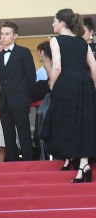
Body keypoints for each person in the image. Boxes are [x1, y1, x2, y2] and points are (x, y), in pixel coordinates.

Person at [46, 9, 96, 182]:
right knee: (84, 123)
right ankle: (83, 164)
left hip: (66, 85)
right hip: (85, 84)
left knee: (67, 123)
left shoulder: (55, 40)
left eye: (54, 21)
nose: (52, 24)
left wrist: (52, 84)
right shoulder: (83, 42)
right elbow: (94, 67)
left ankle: (76, 161)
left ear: (62, 23)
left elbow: (57, 66)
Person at [0, 22, 35, 162]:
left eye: (7, 34)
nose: (3, 37)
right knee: (8, 135)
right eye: (2, 34)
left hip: (20, 100)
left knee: (24, 134)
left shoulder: (24, 52)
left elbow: (31, 78)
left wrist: (27, 98)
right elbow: (1, 78)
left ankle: (28, 162)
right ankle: (12, 163)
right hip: (4, 102)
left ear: (15, 36)